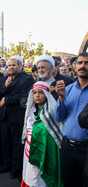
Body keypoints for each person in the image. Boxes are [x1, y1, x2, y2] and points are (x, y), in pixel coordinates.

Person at [0, 56, 34, 178]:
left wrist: (6, 100)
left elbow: (23, 96)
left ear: (21, 66)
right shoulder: (5, 78)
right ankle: (6, 164)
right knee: (5, 142)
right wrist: (5, 86)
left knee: (16, 144)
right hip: (4, 116)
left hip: (16, 116)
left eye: (14, 65)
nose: (11, 67)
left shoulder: (27, 79)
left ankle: (15, 168)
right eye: (10, 65)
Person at [54, 52, 88, 187]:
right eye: (80, 63)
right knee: (69, 182)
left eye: (87, 63)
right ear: (74, 66)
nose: (83, 66)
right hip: (67, 147)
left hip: (86, 149)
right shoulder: (67, 90)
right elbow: (59, 117)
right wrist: (61, 99)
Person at [21, 81, 62, 187]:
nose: (37, 95)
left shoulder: (51, 111)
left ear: (46, 94)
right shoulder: (30, 110)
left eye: (40, 92)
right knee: (31, 172)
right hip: (30, 146)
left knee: (42, 176)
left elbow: (55, 132)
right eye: (35, 93)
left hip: (46, 148)